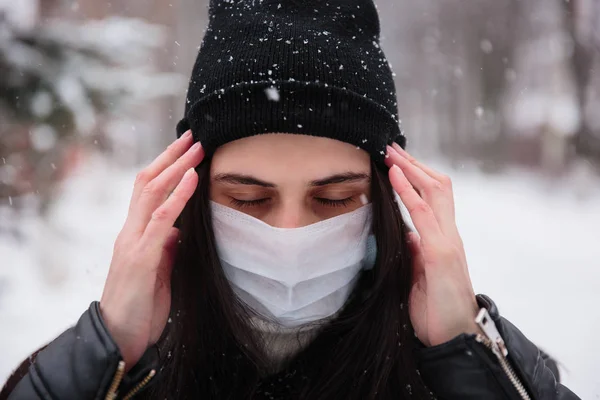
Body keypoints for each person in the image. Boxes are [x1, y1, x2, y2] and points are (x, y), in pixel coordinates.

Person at [0, 0, 580, 399]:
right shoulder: (133, 370)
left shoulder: (442, 363)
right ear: (192, 197)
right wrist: (109, 349)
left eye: (334, 199)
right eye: (249, 200)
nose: (290, 235)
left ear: (384, 197)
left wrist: (467, 355)